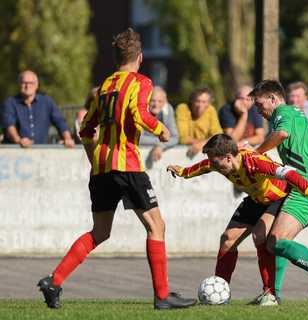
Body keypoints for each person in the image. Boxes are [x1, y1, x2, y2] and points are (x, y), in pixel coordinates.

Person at [37, 28, 196, 310]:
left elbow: (86, 130)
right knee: (156, 226)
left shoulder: (105, 86)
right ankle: (162, 296)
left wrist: (96, 161)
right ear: (140, 57)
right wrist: (160, 130)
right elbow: (138, 112)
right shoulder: (141, 81)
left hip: (102, 169)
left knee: (99, 232)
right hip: (128, 166)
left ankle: (54, 281)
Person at [167, 134, 308, 305]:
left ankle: (270, 294)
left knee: (259, 235)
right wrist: (184, 172)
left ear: (228, 157)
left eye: (215, 162)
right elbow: (204, 166)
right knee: (227, 240)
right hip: (256, 199)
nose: (212, 165)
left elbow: (288, 173)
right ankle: (220, 295)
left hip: (278, 197)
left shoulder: (254, 161)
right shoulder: (218, 161)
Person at [250, 80, 308, 300]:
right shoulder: (297, 115)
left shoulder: (283, 112)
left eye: (260, 104)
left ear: (273, 99)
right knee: (266, 237)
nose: (258, 110)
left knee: (276, 240)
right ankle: (272, 295)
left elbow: (281, 134)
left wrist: (256, 153)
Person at [2, 70, 74, 148]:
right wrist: (19, 140)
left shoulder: (47, 102)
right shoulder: (9, 103)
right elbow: (9, 126)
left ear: (37, 85)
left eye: (31, 83)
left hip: (40, 153)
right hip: (14, 152)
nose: (27, 86)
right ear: (19, 84)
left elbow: (60, 122)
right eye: (24, 83)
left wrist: (68, 138)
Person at [176, 87, 223, 158]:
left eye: (204, 102)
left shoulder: (211, 110)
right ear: (192, 101)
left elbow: (218, 135)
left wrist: (202, 144)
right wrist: (207, 142)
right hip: (181, 153)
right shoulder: (183, 108)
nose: (200, 105)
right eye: (197, 101)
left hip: (203, 153)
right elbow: (182, 138)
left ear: (208, 103)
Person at [140, 86, 179, 165]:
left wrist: (161, 146)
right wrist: (161, 141)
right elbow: (139, 138)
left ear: (165, 102)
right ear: (147, 101)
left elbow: (175, 138)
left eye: (160, 101)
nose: (156, 104)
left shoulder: (168, 109)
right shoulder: (141, 110)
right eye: (152, 101)